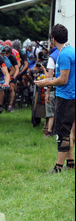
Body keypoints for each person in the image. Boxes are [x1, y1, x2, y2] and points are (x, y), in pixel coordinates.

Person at [35, 24, 75, 173]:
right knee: (68, 131)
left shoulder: (64, 54)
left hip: (66, 97)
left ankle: (58, 167)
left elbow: (63, 79)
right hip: (70, 96)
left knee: (62, 132)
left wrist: (46, 82)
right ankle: (70, 163)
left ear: (53, 39)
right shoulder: (70, 51)